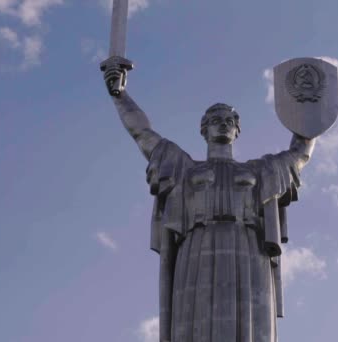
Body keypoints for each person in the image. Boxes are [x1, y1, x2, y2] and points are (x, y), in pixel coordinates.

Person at [103, 65, 315, 342]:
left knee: (251, 323)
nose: (224, 123)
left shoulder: (259, 171)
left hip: (248, 247)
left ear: (237, 130)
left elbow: (299, 153)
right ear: (203, 129)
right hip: (198, 247)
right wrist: (120, 95)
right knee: (195, 322)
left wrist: (310, 113)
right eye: (216, 118)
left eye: (230, 119)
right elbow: (142, 133)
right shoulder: (183, 168)